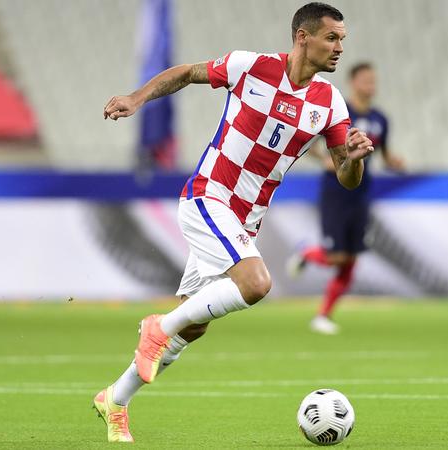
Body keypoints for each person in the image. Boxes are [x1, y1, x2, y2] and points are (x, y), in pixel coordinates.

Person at [95, 2, 373, 443]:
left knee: (192, 325)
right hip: (208, 197)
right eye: (331, 38)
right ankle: (156, 327)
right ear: (303, 37)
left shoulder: (330, 102)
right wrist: (136, 98)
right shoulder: (252, 66)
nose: (339, 47)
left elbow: (346, 176)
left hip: (245, 220)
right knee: (255, 284)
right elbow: (187, 73)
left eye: (342, 39)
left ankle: (115, 399)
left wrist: (354, 159)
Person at [288, 62, 403, 335]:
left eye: (373, 80)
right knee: (337, 257)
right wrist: (326, 159)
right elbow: (308, 140)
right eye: (366, 80)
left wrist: (393, 162)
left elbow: (384, 153)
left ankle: (323, 316)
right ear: (353, 82)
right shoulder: (340, 112)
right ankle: (306, 253)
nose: (371, 85)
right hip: (336, 192)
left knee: (351, 260)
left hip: (361, 193)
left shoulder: (380, 119)